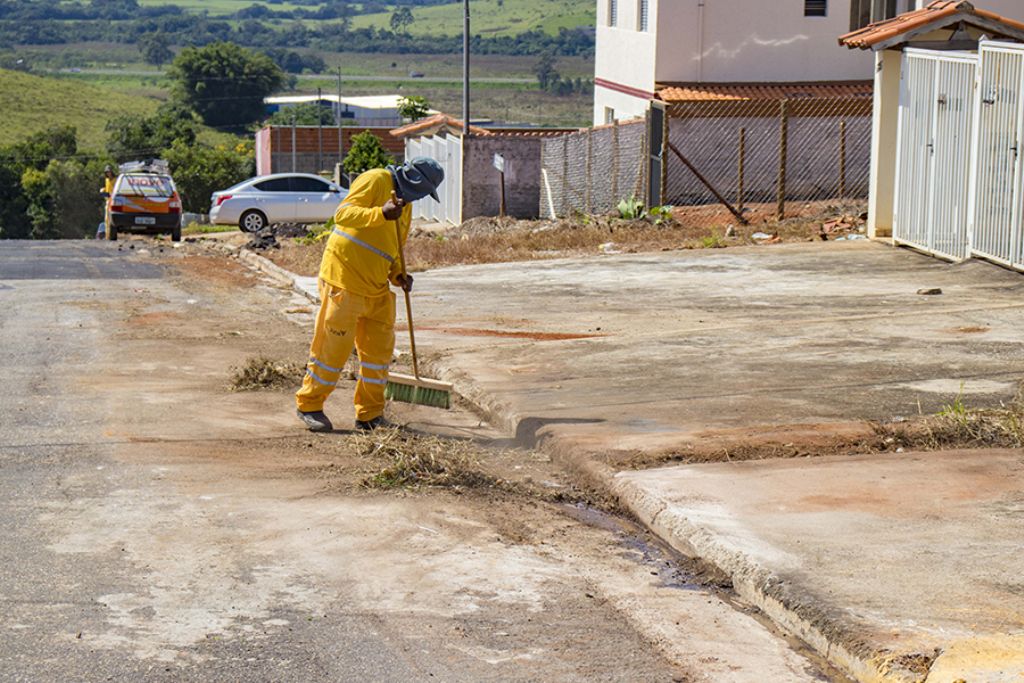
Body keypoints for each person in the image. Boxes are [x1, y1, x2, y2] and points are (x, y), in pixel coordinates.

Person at [295, 157, 444, 432]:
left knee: (378, 354)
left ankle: (369, 414)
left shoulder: (406, 207)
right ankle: (310, 405)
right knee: (332, 349)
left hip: (377, 286)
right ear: (413, 181)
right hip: (344, 278)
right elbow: (343, 215)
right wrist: (380, 213)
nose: (421, 197)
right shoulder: (375, 180)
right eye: (423, 191)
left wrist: (398, 273)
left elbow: (394, 245)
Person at [98, 165, 116, 239]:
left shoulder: (116, 180)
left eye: (109, 172)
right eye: (107, 172)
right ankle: (107, 235)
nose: (108, 173)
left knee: (111, 219)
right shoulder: (107, 180)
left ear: (111, 172)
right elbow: (107, 188)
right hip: (108, 200)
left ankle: (111, 235)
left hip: (114, 201)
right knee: (106, 218)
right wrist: (103, 190)